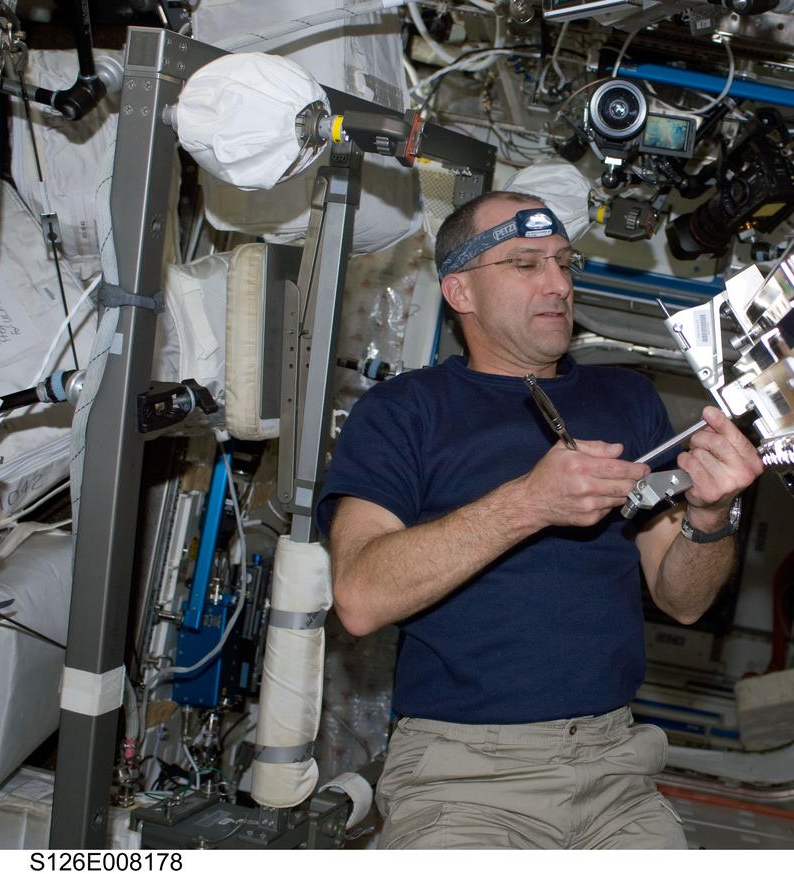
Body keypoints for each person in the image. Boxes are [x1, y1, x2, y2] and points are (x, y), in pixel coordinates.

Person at [316, 190, 763, 849]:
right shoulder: (403, 412)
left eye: (563, 262)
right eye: (526, 265)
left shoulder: (628, 399)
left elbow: (685, 599)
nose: (557, 284)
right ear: (460, 291)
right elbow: (358, 596)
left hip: (619, 773)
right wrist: (528, 503)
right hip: (463, 779)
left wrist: (711, 513)